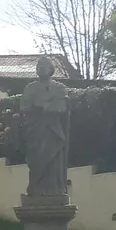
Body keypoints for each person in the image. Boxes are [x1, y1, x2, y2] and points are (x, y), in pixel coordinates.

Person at [21, 57, 70, 198]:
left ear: (51, 69)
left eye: (44, 65)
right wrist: (48, 105)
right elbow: (24, 106)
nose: (41, 67)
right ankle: (36, 189)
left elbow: (62, 107)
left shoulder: (59, 88)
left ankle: (55, 190)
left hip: (53, 131)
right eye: (38, 65)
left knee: (53, 160)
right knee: (36, 160)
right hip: (35, 131)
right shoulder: (30, 88)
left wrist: (42, 105)